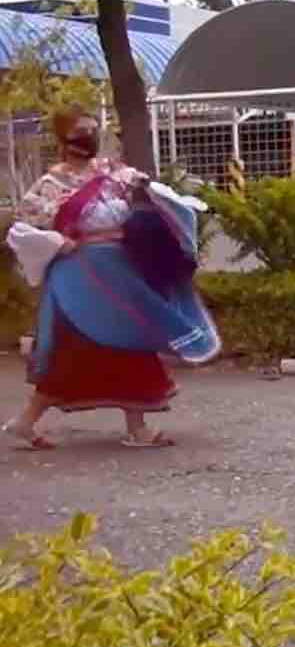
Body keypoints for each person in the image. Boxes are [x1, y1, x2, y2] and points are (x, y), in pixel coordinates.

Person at [3, 108, 220, 449]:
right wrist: (58, 241)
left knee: (132, 337)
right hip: (79, 276)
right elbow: (22, 229)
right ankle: (28, 421)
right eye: (81, 132)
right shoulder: (48, 186)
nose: (89, 137)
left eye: (92, 130)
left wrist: (165, 201)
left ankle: (134, 427)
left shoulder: (112, 172)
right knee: (72, 353)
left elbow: (151, 190)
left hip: (119, 269)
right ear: (64, 139)